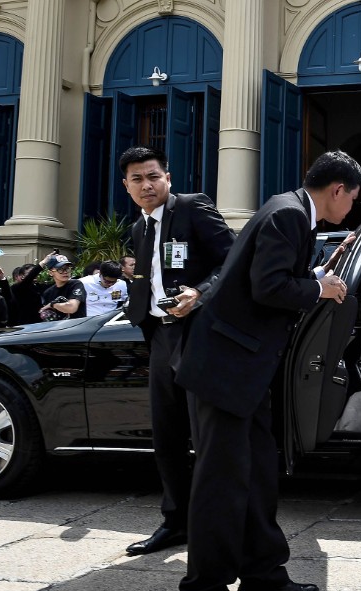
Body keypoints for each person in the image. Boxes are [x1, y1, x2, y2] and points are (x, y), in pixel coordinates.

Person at [173, 151, 361, 591]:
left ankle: (262, 578)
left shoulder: (291, 211)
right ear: (337, 190)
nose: (351, 208)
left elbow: (273, 277)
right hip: (225, 370)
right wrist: (320, 289)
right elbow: (268, 287)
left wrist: (316, 274)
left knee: (257, 475)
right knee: (220, 486)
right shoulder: (289, 215)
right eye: (353, 198)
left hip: (245, 372)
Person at [118, 146, 237, 559]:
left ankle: (214, 526)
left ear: (168, 177)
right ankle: (175, 522)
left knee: (205, 437)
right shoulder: (139, 227)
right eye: (137, 179)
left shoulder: (192, 208)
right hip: (160, 337)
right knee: (166, 437)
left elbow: (233, 262)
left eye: (153, 176)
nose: (147, 185)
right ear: (127, 186)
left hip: (198, 335)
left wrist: (200, 293)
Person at [38, 254, 85, 321]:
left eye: (67, 268)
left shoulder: (75, 284)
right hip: (58, 329)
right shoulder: (48, 293)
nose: (65, 272)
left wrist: (53, 305)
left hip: (76, 328)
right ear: (51, 273)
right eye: (60, 269)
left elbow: (72, 308)